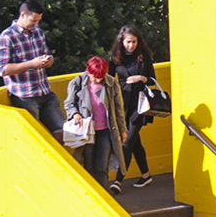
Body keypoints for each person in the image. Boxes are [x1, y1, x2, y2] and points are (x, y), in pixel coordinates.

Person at [0, 0, 60, 134]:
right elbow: (2, 70)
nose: (36, 24)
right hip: (25, 96)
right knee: (34, 136)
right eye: (33, 21)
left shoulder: (38, 32)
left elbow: (46, 53)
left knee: (63, 132)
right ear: (23, 15)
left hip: (45, 91)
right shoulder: (6, 38)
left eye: (38, 21)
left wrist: (49, 60)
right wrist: (31, 64)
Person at [64, 57, 126, 194]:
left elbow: (119, 109)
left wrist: (122, 130)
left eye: (100, 77)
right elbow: (69, 104)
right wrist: (75, 113)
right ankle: (89, 194)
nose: (97, 80)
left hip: (106, 131)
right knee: (88, 164)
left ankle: (101, 194)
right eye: (94, 76)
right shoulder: (77, 82)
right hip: (87, 131)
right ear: (88, 71)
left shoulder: (112, 83)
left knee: (102, 166)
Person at [109, 26, 157, 188]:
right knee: (135, 141)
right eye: (128, 42)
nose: (131, 45)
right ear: (121, 41)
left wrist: (141, 78)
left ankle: (118, 181)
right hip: (123, 103)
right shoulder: (116, 57)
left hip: (140, 104)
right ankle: (146, 175)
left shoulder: (144, 56)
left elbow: (153, 79)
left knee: (127, 141)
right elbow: (109, 80)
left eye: (134, 42)